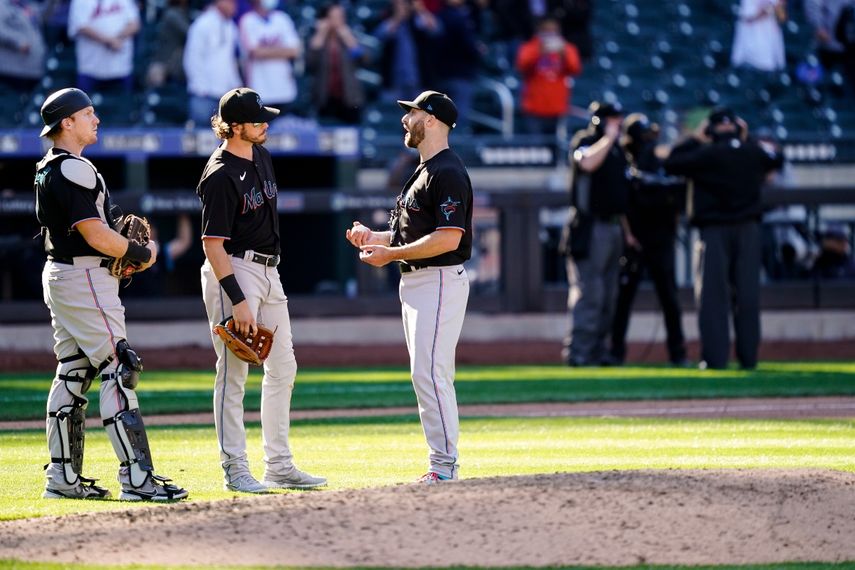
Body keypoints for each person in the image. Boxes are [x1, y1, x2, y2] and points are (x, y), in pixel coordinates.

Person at [35, 87, 188, 501]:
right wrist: (143, 253)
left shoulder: (48, 166)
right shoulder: (73, 168)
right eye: (88, 114)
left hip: (63, 273)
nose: (96, 119)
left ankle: (62, 477)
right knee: (119, 366)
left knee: (73, 371)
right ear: (67, 122)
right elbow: (96, 235)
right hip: (83, 275)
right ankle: (136, 478)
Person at [196, 87, 326, 493]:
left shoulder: (262, 156)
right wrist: (237, 299)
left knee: (284, 367)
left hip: (270, 270)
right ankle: (235, 468)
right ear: (234, 126)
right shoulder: (219, 173)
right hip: (234, 269)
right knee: (232, 375)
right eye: (257, 120)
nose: (265, 124)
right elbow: (212, 245)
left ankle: (279, 465)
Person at [344, 90, 472, 483]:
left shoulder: (447, 171)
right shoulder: (424, 169)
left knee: (431, 374)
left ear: (431, 120)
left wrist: (391, 254)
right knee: (426, 374)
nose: (405, 119)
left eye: (412, 112)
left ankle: (444, 467)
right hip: (419, 281)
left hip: (437, 278)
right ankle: (442, 464)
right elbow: (410, 235)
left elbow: (448, 238)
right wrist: (375, 238)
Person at [664, 107, 784, 370]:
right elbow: (776, 158)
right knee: (748, 296)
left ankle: (715, 359)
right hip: (748, 230)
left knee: (713, 298)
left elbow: (671, 162)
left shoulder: (705, 153)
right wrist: (747, 138)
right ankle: (748, 358)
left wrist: (695, 138)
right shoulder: (752, 151)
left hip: (714, 231)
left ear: (710, 129)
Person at [609, 113, 688, 367]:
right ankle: (616, 352)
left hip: (659, 239)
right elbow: (622, 206)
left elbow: (676, 199)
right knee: (625, 300)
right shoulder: (623, 167)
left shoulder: (661, 165)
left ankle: (678, 353)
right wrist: (629, 234)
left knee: (668, 299)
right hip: (636, 241)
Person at [559, 101, 631, 367]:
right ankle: (579, 352)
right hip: (590, 227)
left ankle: (599, 351)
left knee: (609, 295)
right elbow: (587, 163)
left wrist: (628, 232)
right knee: (590, 292)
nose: (618, 123)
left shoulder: (618, 150)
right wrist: (609, 138)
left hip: (613, 227)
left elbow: (620, 196)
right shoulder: (585, 140)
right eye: (613, 119)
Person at [515, 16, 582, 138]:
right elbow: (522, 66)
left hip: (557, 108)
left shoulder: (566, 48)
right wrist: (539, 51)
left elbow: (575, 69)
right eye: (547, 30)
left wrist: (564, 54)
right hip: (534, 109)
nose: (550, 34)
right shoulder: (530, 47)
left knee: (555, 145)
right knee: (535, 146)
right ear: (539, 31)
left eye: (554, 30)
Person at [183, 0, 242, 126]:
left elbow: (229, 60)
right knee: (201, 133)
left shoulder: (231, 26)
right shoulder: (202, 24)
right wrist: (201, 88)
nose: (235, 6)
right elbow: (192, 58)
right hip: (204, 94)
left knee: (225, 135)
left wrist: (236, 85)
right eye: (231, 2)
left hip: (225, 94)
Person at [238, 0, 302, 114]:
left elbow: (295, 51)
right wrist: (282, 50)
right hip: (259, 88)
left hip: (284, 88)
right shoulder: (247, 20)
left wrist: (266, 50)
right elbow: (255, 52)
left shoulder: (282, 18)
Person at [306, 2, 365, 124]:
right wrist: (320, 33)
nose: (338, 21)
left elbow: (363, 59)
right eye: (334, 17)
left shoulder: (350, 37)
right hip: (324, 97)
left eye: (341, 17)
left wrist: (348, 37)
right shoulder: (318, 39)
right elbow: (310, 63)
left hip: (349, 96)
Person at [67, 0, 139, 95]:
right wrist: (110, 41)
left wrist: (118, 38)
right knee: (86, 103)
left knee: (123, 101)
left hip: (120, 67)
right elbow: (81, 27)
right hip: (90, 69)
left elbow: (135, 24)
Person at [374, 0, 441, 102]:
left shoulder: (418, 20)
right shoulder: (387, 18)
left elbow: (436, 30)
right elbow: (379, 37)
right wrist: (398, 17)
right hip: (393, 83)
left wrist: (420, 9)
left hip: (419, 81)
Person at [0, 0, 46, 93]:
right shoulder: (2, 5)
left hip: (33, 69)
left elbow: (46, 16)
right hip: (11, 70)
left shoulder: (28, 5)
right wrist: (18, 41)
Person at [731, 0, 787, 72]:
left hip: (769, 48)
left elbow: (782, 18)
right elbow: (748, 17)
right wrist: (769, 8)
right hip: (750, 51)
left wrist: (779, 6)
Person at [146, 0, 190, 88]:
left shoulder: (180, 13)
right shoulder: (172, 14)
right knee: (157, 91)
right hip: (163, 64)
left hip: (173, 64)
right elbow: (191, 33)